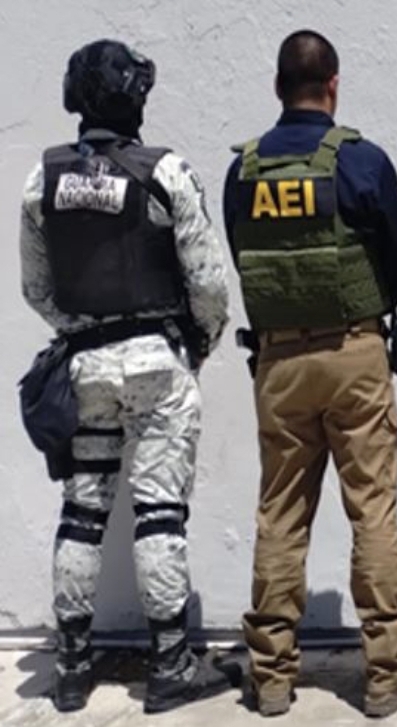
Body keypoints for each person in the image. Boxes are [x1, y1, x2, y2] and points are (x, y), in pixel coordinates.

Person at [19, 39, 234, 714]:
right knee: (159, 512)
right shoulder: (164, 171)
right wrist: (197, 343)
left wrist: (84, 332)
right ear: (134, 99)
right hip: (156, 364)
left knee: (82, 513)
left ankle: (72, 666)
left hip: (84, 367)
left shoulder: (42, 179)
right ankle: (171, 663)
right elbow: (208, 282)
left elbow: (37, 289)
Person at [223, 29, 397, 718]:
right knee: (372, 508)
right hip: (354, 353)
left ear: (278, 88)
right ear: (333, 85)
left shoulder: (244, 171)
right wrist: (364, 311)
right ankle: (387, 673)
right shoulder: (360, 161)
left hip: (279, 361)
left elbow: (243, 254)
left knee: (280, 512)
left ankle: (272, 677)